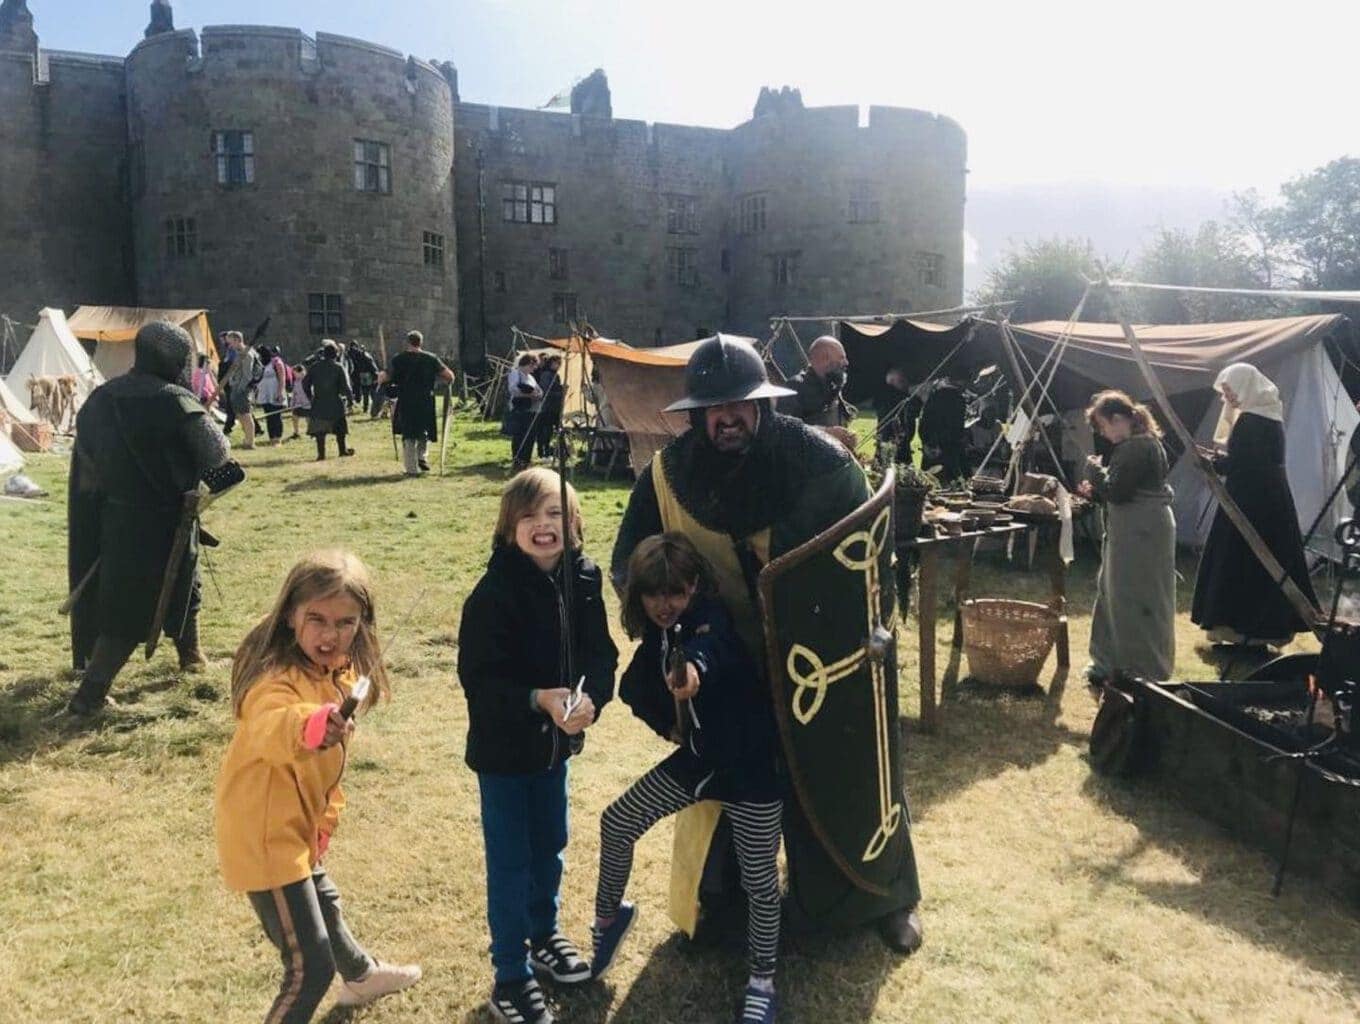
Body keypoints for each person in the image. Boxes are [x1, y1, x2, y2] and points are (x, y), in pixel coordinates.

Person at [611, 335, 924, 957]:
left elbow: (869, 565)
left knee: (846, 778)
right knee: (725, 784)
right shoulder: (669, 476)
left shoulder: (820, 465)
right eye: (713, 408)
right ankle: (719, 906)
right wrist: (666, 618)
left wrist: (862, 638)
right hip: (722, 666)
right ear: (697, 414)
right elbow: (631, 563)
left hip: (818, 666)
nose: (727, 417)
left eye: (740, 405)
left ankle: (881, 897)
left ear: (764, 405)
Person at [214, 550, 422, 1022]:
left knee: (324, 900)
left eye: (346, 622)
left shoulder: (336, 671)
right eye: (318, 620)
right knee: (310, 969)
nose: (332, 635)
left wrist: (320, 824)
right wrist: (313, 724)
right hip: (265, 838)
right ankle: (347, 975)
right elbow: (273, 722)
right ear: (291, 616)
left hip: (295, 827)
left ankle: (363, 976)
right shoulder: (276, 682)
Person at [592, 534, 782, 1024]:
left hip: (751, 768)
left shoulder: (709, 620)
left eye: (675, 592)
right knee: (617, 822)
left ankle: (762, 980)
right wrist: (669, 724)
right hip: (699, 764)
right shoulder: (657, 635)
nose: (664, 604)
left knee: (760, 880)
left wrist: (693, 673)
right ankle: (609, 921)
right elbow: (633, 687)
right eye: (653, 593)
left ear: (695, 585)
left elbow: (708, 649)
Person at [457, 467, 618, 1024]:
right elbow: (481, 683)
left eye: (554, 514)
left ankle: (544, 936)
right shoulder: (492, 595)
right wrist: (538, 699)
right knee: (511, 860)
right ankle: (509, 973)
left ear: (573, 525)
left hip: (556, 751)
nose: (543, 525)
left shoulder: (586, 579)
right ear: (508, 529)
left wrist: (592, 698)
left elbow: (601, 657)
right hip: (503, 755)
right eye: (529, 516)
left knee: (551, 842)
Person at [66, 321, 245, 715]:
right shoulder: (175, 401)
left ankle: (191, 656)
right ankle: (89, 696)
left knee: (184, 585)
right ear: (175, 358)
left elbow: (88, 458)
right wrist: (205, 419)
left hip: (115, 517)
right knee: (129, 607)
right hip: (161, 519)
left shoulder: (102, 398)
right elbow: (218, 457)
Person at [1191, 364, 1319, 647]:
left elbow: (1244, 464)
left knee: (1242, 561)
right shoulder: (1269, 415)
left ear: (1246, 386)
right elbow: (1252, 459)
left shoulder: (1251, 420)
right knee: (1253, 560)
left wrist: (1212, 463)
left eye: (1230, 390)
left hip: (1252, 500)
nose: (1228, 397)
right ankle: (1259, 628)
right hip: (1267, 498)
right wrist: (1219, 460)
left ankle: (1242, 627)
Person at [1077, 391, 1177, 683]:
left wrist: (1094, 471)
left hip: (1141, 532)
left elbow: (1118, 491)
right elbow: (1122, 489)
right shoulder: (1142, 444)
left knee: (1136, 598)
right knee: (1115, 593)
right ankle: (1113, 661)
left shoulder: (1138, 447)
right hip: (1136, 529)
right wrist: (1097, 491)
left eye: (1104, 426)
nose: (1104, 434)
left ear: (1119, 419)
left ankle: (1140, 668)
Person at [380, 330, 454, 477]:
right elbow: (449, 376)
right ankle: (422, 457)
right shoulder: (431, 358)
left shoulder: (398, 359)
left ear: (408, 342)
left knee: (409, 434)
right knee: (423, 430)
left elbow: (385, 377)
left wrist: (382, 376)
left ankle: (411, 469)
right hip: (426, 399)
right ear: (421, 342)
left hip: (406, 399)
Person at [777, 335, 854, 428]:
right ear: (824, 359)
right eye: (841, 358)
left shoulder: (832, 388)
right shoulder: (795, 387)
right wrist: (825, 432)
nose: (846, 362)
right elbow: (784, 428)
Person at [303, 340, 353, 461]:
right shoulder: (338, 367)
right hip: (335, 401)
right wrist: (351, 400)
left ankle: (321, 454)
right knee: (340, 429)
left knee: (320, 431)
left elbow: (305, 383)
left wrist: (310, 396)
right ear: (336, 354)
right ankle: (342, 450)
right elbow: (346, 387)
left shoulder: (315, 367)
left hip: (319, 401)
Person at [918, 373, 968, 482]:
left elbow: (924, 423)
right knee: (947, 482)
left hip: (931, 445)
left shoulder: (934, 396)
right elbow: (957, 428)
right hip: (947, 447)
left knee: (928, 481)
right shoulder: (958, 400)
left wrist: (926, 442)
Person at [505, 353, 542, 471]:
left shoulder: (531, 377)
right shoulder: (515, 373)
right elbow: (513, 389)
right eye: (532, 366)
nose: (534, 369)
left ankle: (526, 460)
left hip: (531, 408)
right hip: (519, 409)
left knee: (530, 436)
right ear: (527, 363)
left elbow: (540, 391)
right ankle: (518, 460)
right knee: (519, 435)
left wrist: (536, 395)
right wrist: (528, 394)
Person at [223, 331, 260, 449]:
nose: (230, 345)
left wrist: (239, 388)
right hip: (236, 387)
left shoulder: (247, 354)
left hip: (243, 389)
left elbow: (247, 375)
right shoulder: (239, 353)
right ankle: (246, 439)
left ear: (237, 340)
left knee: (246, 414)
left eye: (231, 342)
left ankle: (250, 441)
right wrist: (232, 382)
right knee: (239, 414)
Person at [255, 344, 288, 445]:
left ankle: (277, 437)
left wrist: (280, 392)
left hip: (275, 391)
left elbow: (282, 378)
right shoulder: (260, 364)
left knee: (276, 415)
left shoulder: (276, 363)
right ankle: (271, 437)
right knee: (268, 416)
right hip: (264, 393)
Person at [535, 354, 565, 459]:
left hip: (554, 407)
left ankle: (556, 451)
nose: (559, 365)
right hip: (547, 407)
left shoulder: (555, 375)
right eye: (557, 363)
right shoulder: (546, 375)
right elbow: (546, 391)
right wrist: (561, 391)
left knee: (553, 430)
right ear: (552, 363)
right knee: (546, 431)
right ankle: (544, 451)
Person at [348, 341, 380, 414]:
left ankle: (371, 408)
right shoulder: (359, 356)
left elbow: (372, 367)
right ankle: (367, 408)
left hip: (369, 375)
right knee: (367, 393)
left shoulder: (365, 356)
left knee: (370, 393)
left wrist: (375, 376)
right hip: (364, 375)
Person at [289, 363, 309, 440]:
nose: (294, 375)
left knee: (308, 419)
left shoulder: (308, 380)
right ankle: (296, 433)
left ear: (301, 372)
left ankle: (311, 432)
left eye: (295, 373)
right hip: (297, 404)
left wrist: (308, 401)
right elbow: (294, 393)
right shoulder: (296, 382)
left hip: (307, 404)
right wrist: (292, 403)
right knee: (294, 417)